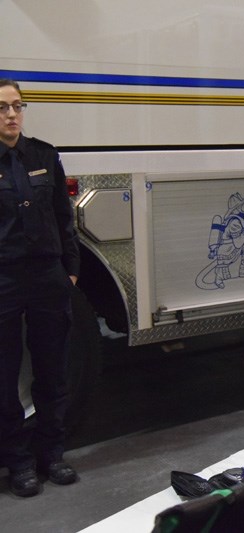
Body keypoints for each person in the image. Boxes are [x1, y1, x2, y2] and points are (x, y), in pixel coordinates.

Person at [0, 79, 81, 497]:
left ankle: (52, 455)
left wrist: (70, 270)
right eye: (2, 108)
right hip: (4, 280)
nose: (11, 114)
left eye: (17, 106)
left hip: (48, 277)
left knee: (53, 369)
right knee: (5, 375)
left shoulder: (44, 155)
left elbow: (62, 217)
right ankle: (17, 462)